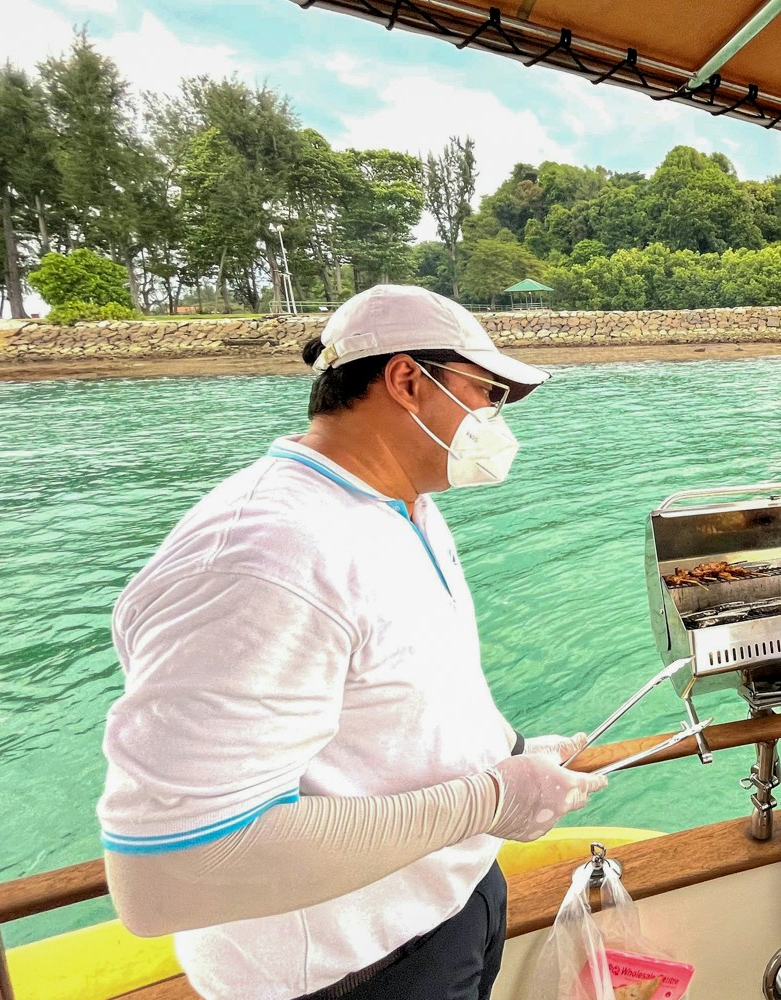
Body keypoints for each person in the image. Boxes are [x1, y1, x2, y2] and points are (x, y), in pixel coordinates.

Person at [97, 285, 607, 1000]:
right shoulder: (263, 555)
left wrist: (511, 758)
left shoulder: (401, 505)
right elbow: (171, 875)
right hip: (348, 973)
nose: (496, 417)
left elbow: (401, 695)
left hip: (450, 904)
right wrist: (489, 801)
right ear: (407, 380)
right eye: (488, 393)